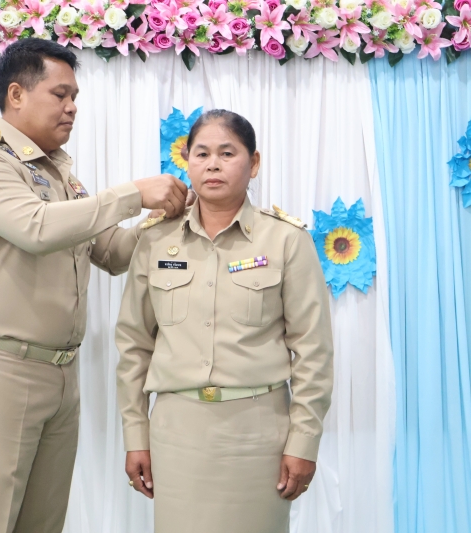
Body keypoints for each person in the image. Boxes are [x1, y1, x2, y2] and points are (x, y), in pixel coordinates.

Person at [0, 39, 188, 533]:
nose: (72, 107)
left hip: (59, 375)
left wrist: (164, 220)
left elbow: (113, 253)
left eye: (75, 97)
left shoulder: (61, 174)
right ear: (17, 94)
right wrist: (133, 194)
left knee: (43, 525)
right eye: (60, 94)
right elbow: (37, 228)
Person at [115, 109, 334, 532]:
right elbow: (133, 345)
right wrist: (135, 435)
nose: (212, 164)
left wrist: (304, 441)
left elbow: (313, 350)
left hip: (258, 436)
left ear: (254, 163)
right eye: (201, 154)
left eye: (227, 153)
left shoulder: (287, 240)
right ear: (187, 162)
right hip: (176, 436)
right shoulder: (156, 239)